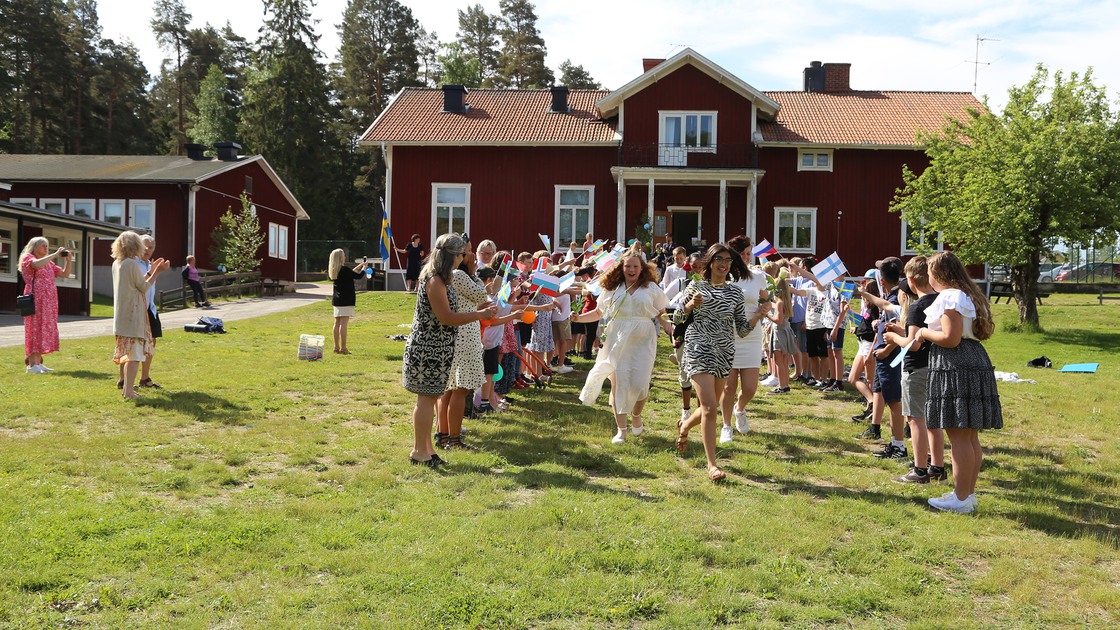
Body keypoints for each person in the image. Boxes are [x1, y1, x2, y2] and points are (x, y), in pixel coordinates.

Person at [402, 233, 496, 467]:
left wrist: (477, 307)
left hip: (439, 348)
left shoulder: (442, 279)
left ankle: (428, 450)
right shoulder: (434, 280)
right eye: (461, 255)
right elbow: (446, 317)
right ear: (452, 256)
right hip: (428, 349)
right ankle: (418, 452)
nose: (463, 259)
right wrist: (479, 314)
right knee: (426, 400)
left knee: (431, 398)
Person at [920, 251, 1002, 513]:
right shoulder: (967, 294)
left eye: (930, 272)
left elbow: (950, 338)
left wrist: (923, 332)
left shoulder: (950, 296)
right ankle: (967, 493)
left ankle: (960, 498)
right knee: (969, 436)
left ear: (938, 274)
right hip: (971, 359)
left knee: (959, 435)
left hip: (956, 363)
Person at [673, 243, 753, 481]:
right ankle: (711, 465)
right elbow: (677, 317)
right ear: (710, 262)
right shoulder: (696, 286)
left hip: (724, 351)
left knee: (711, 407)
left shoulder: (735, 293)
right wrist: (689, 305)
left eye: (728, 260)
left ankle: (685, 426)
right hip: (698, 348)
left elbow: (741, 330)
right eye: (718, 259)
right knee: (708, 406)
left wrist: (758, 316)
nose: (723, 264)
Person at [576, 253, 672, 444]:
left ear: (642, 268)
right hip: (616, 338)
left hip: (644, 340)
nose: (631, 270)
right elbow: (598, 312)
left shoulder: (651, 288)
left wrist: (668, 325)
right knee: (618, 384)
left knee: (640, 385)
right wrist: (577, 318)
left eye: (635, 267)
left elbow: (662, 313)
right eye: (628, 266)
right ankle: (621, 430)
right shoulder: (612, 289)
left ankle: (636, 415)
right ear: (621, 268)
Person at [883, 256, 946, 484]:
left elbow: (914, 343)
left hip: (916, 368)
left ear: (910, 280)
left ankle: (919, 470)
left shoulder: (918, 305)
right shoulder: (939, 301)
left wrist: (893, 337)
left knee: (915, 419)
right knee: (933, 419)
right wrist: (903, 330)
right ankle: (937, 466)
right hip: (936, 366)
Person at [437, 235, 491, 449]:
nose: (470, 256)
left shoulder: (454, 274)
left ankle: (444, 435)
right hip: (464, 335)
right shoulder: (459, 274)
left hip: (461, 332)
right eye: (467, 251)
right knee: (460, 388)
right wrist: (476, 273)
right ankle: (453, 438)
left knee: (450, 389)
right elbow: (481, 294)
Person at [720, 235, 770, 441]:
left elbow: (766, 300)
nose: (748, 258)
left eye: (750, 253)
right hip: (728, 335)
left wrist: (764, 309)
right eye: (745, 254)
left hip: (751, 333)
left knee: (750, 388)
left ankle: (739, 409)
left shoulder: (757, 276)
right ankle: (726, 426)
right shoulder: (723, 276)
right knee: (729, 385)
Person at [111, 231, 170, 400]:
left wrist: (151, 271)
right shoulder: (130, 264)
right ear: (134, 245)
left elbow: (137, 284)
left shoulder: (118, 263)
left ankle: (126, 389)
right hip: (133, 314)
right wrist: (157, 271)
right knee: (135, 355)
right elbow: (144, 287)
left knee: (129, 353)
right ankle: (129, 392)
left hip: (122, 315)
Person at [20, 236, 71, 373]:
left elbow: (64, 274)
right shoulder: (28, 257)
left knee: (42, 329)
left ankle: (38, 363)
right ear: (34, 247)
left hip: (48, 301)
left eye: (47, 246)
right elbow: (35, 265)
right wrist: (55, 254)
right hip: (35, 299)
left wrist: (68, 260)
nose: (46, 248)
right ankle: (32, 365)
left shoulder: (49, 263)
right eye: (43, 246)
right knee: (34, 329)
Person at [327, 249, 368, 354]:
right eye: (343, 255)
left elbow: (350, 273)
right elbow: (358, 276)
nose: (344, 256)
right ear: (341, 257)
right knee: (344, 324)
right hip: (346, 299)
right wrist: (364, 268)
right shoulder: (344, 269)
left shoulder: (334, 270)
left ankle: (336, 347)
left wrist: (358, 267)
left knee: (336, 323)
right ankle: (343, 348)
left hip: (337, 300)